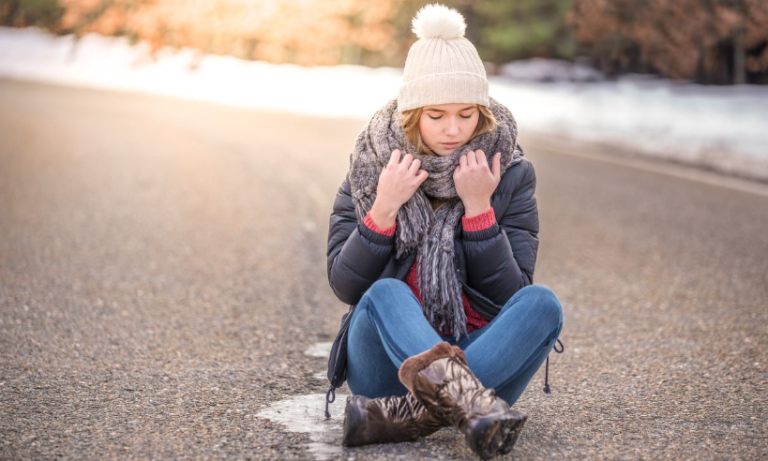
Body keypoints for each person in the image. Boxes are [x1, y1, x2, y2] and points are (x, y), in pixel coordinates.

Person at [326, 4, 564, 459]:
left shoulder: (510, 173)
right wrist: (383, 209)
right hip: (383, 367)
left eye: (466, 114)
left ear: (484, 113)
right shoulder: (371, 169)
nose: (453, 130)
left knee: (542, 304)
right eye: (435, 115)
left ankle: (416, 413)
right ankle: (472, 404)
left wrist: (479, 210)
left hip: (480, 352)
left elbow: (509, 294)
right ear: (410, 114)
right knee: (384, 295)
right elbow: (346, 284)